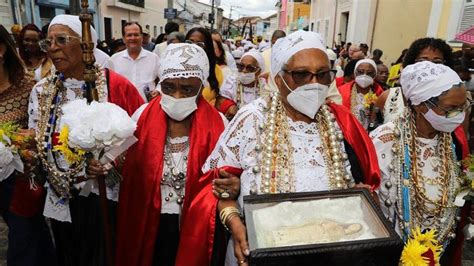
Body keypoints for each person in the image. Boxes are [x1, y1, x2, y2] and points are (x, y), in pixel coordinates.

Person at [201, 30, 381, 265]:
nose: (314, 84)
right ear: (279, 78)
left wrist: (362, 197)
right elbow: (215, 189)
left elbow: (367, 186)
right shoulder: (252, 118)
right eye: (301, 74)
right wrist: (235, 222)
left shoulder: (343, 122)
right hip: (261, 253)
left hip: (329, 256)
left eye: (323, 74)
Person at [28, 14, 144, 266]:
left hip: (105, 196)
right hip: (59, 194)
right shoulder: (41, 91)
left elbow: (141, 136)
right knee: (68, 255)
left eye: (61, 39)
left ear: (85, 45)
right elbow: (37, 137)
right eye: (48, 43)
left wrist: (110, 163)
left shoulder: (117, 86)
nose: (53, 48)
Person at [116, 43, 227, 266]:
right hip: (148, 220)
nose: (176, 96)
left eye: (187, 89)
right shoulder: (141, 116)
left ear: (201, 86)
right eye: (169, 87)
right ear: (160, 82)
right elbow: (118, 163)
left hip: (195, 226)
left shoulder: (219, 124)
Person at [370, 61, 471, 266]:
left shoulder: (452, 140)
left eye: (464, 106)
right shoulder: (384, 140)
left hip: (439, 250)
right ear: (420, 104)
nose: (459, 115)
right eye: (451, 108)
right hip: (392, 253)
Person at [0, 24, 57, 266]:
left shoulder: (26, 86)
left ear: (1, 50)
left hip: (22, 180)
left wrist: (21, 141)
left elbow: (40, 130)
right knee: (34, 239)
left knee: (23, 240)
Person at [109, 22, 160, 102]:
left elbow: (163, 80)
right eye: (129, 35)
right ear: (123, 38)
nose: (133, 38)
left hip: (146, 107)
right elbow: (109, 85)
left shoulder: (154, 58)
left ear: (141, 37)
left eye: (136, 35)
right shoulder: (114, 60)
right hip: (123, 108)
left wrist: (158, 90)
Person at [338, 59, 384, 131]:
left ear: (375, 75)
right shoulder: (342, 91)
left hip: (370, 134)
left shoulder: (380, 94)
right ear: (355, 73)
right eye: (360, 72)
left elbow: (378, 122)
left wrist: (374, 115)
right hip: (347, 134)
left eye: (369, 73)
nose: (364, 75)